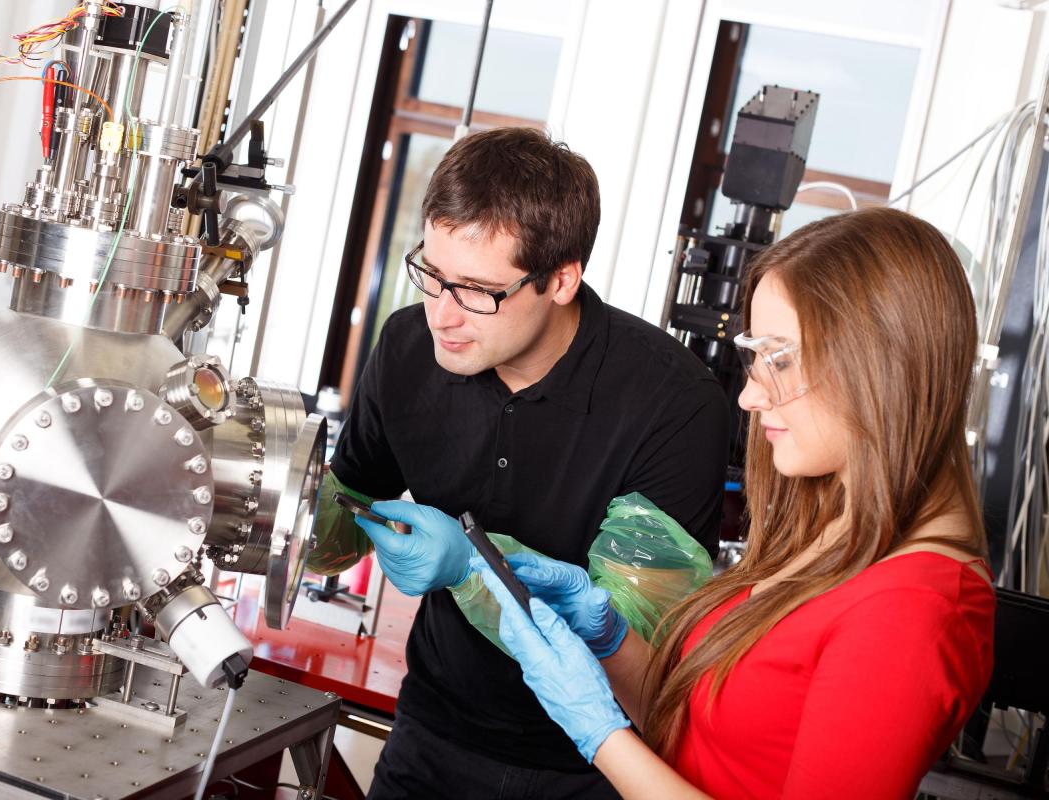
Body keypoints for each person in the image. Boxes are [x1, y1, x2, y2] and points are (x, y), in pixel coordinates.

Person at [475, 206, 996, 799]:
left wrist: (600, 735)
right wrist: (609, 639)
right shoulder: (837, 533)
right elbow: (715, 737)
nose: (748, 395)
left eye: (778, 359)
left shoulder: (912, 612)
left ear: (879, 364)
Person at [315, 127, 729, 799]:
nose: (442, 316)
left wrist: (470, 568)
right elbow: (332, 537)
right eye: (433, 276)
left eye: (478, 290)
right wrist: (259, 486)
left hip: (589, 770)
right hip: (431, 734)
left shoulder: (673, 404)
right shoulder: (406, 348)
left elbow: (632, 658)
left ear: (561, 279)